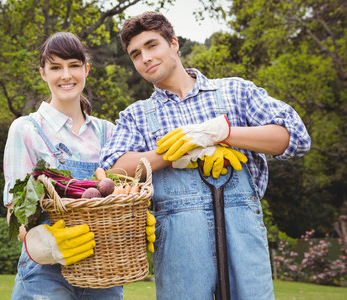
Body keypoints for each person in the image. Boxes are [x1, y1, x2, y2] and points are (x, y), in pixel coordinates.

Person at [99, 11, 311, 300]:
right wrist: (177, 151)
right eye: (135, 54)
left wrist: (219, 132)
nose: (145, 58)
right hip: (179, 242)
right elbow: (114, 171)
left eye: (152, 45)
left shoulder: (235, 92)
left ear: (173, 43)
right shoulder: (136, 115)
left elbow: (293, 137)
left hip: (243, 232)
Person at [3, 32, 124, 299]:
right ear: (43, 74)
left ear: (86, 69)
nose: (66, 75)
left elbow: (124, 195)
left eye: (73, 65)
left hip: (103, 269)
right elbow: (16, 212)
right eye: (55, 67)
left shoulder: (109, 133)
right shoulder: (26, 129)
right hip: (45, 273)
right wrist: (46, 243)